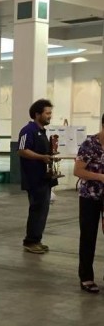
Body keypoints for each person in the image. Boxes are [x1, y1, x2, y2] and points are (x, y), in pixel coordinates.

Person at [17, 99, 57, 254]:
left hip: (44, 178)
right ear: (37, 114)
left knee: (42, 210)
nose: (49, 116)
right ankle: (30, 241)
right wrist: (42, 157)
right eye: (47, 113)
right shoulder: (28, 130)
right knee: (37, 210)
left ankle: (37, 239)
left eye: (50, 113)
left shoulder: (42, 132)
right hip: (34, 179)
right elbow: (22, 150)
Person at [73, 113, 104, 293]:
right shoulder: (90, 144)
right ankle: (86, 277)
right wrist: (99, 177)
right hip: (89, 197)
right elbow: (78, 171)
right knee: (88, 236)